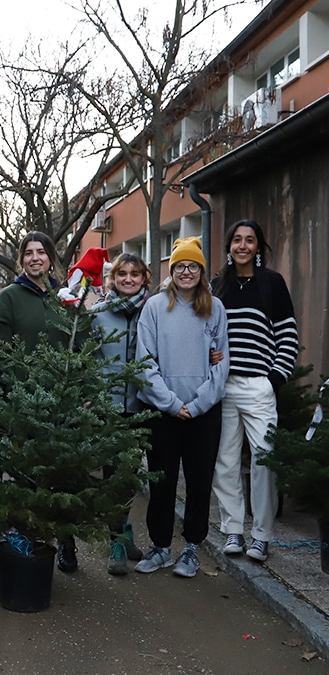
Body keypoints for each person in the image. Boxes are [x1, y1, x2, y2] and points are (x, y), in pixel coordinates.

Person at [134, 237, 229, 579]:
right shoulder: (155, 307)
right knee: (162, 480)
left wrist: (199, 403)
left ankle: (191, 548)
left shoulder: (214, 308)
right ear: (171, 271)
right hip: (165, 411)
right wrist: (172, 404)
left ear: (201, 272)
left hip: (204, 412)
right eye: (180, 266)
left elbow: (221, 363)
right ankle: (160, 547)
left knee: (200, 481)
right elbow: (144, 362)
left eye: (192, 266)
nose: (186, 272)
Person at [0, 231, 78, 573]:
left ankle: (66, 543)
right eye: (28, 252)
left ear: (51, 258)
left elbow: (80, 345)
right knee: (25, 475)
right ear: (21, 259)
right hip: (23, 403)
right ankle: (25, 539)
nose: (35, 257)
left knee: (64, 476)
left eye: (41, 252)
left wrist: (81, 393)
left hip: (62, 402)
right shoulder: (9, 297)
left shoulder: (66, 297)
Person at [212, 219, 298, 563]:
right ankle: (233, 529)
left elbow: (288, 335)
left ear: (258, 247)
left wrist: (274, 379)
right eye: (237, 240)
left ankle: (261, 535)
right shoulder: (219, 286)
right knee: (226, 461)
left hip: (259, 387)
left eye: (250, 240)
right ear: (230, 246)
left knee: (265, 461)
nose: (243, 246)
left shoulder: (272, 283)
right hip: (224, 388)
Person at [90, 252, 151, 575]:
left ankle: (125, 530)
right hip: (108, 407)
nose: (128, 279)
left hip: (142, 405)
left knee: (131, 475)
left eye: (135, 274)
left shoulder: (153, 312)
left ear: (144, 278)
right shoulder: (99, 313)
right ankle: (115, 539)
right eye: (122, 274)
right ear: (113, 278)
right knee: (112, 474)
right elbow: (88, 357)